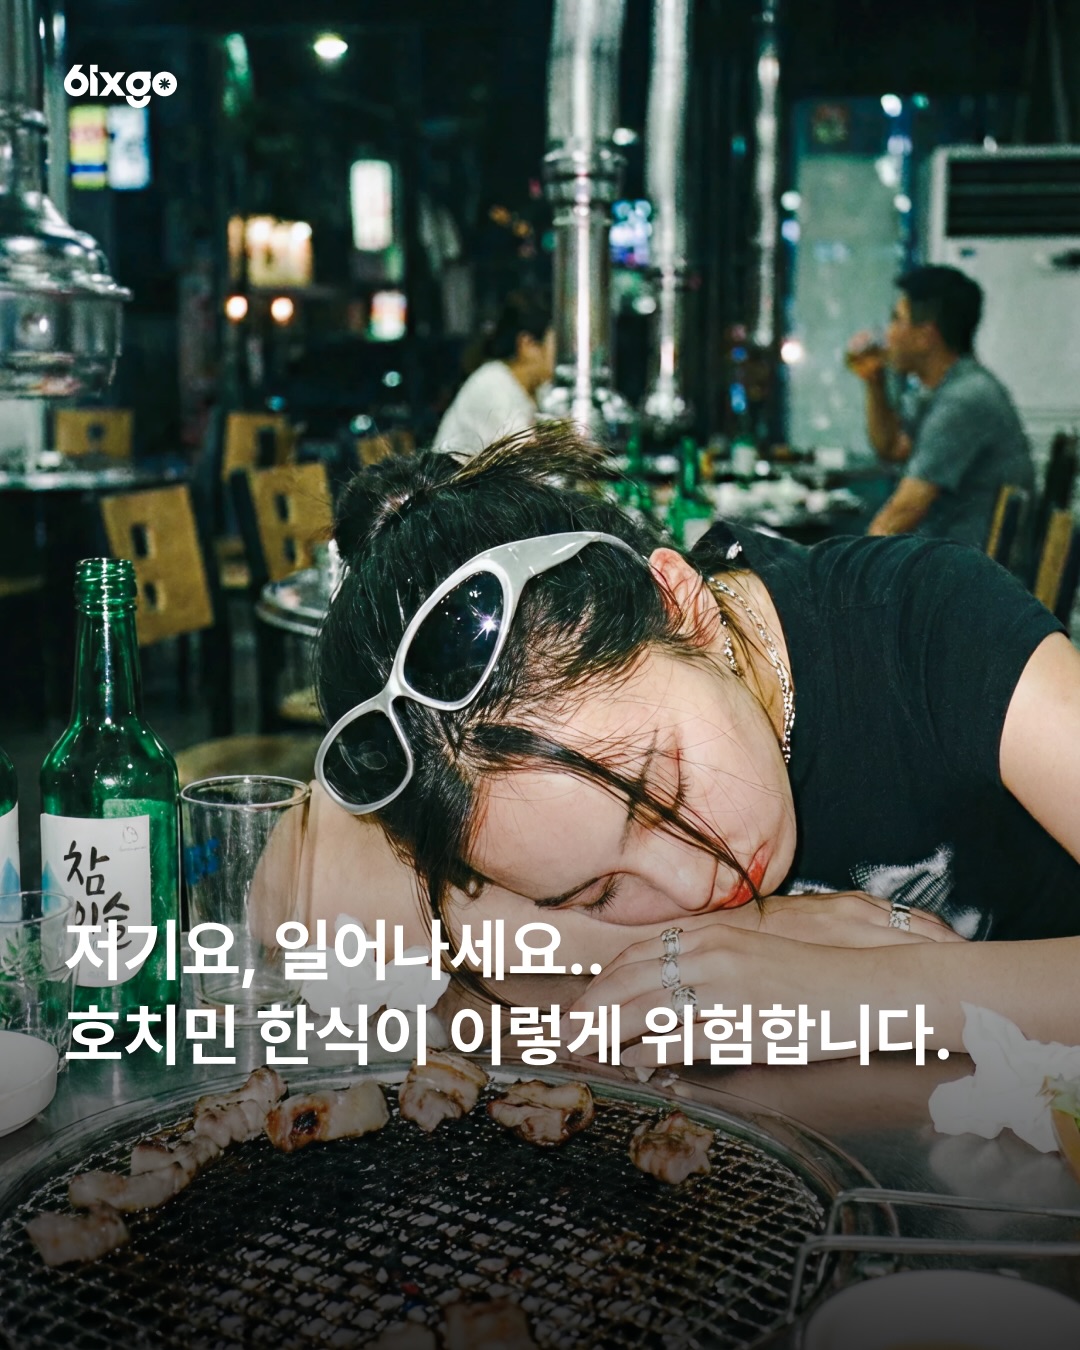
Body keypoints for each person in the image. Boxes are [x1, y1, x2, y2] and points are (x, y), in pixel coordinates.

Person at [307, 426, 1080, 1065]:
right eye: (597, 894)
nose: (694, 883)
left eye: (665, 791)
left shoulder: (932, 628)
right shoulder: (486, 790)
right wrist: (758, 931)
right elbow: (295, 889)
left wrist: (856, 991)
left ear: (682, 604)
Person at [847, 265, 1034, 549]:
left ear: (925, 336)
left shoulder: (965, 399)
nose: (887, 335)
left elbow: (902, 513)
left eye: (896, 320)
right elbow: (892, 448)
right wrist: (875, 383)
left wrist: (847, 570)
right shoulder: (942, 389)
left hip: (969, 566)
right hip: (948, 554)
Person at [432, 292, 555, 459]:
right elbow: (525, 458)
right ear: (527, 344)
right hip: (451, 476)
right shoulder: (493, 384)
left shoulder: (535, 388)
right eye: (556, 343)